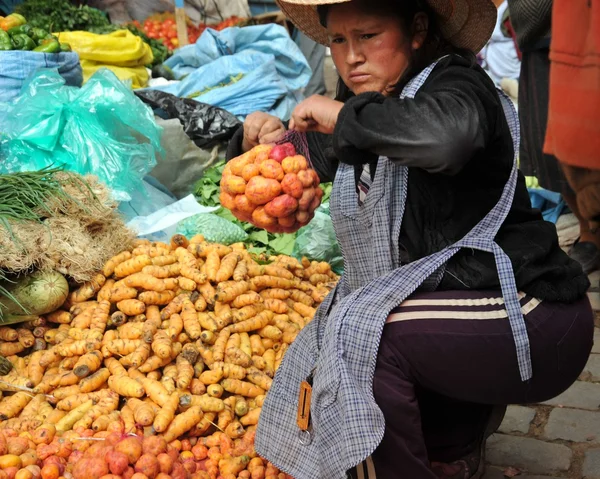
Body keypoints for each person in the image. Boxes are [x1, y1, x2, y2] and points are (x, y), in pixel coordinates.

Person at [225, 0, 594, 477]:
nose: (351, 56)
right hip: (464, 312)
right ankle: (451, 444)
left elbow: (446, 140)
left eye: (369, 36)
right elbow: (310, 155)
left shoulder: (458, 84)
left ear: (417, 30)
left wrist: (343, 116)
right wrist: (264, 141)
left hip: (535, 314)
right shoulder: (375, 106)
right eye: (339, 40)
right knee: (356, 314)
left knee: (363, 336)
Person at [508, 0, 600, 274]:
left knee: (585, 146)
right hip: (546, 47)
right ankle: (589, 231)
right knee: (553, 150)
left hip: (585, 37)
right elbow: (529, 12)